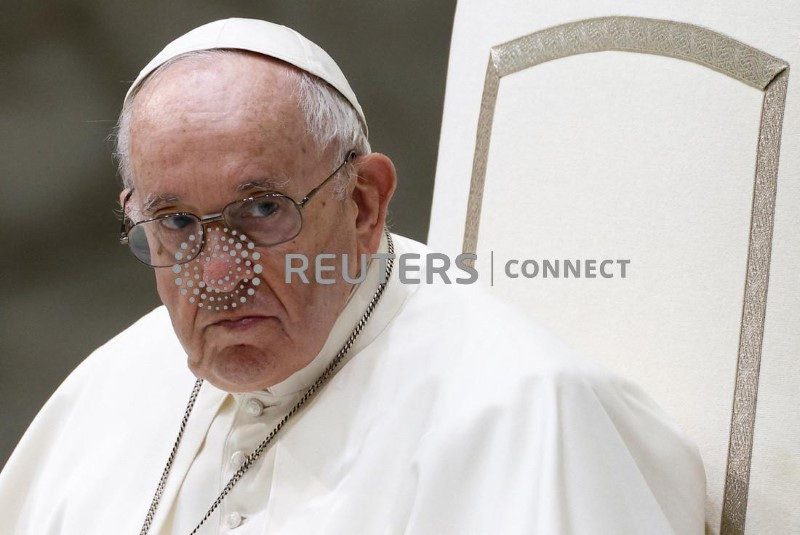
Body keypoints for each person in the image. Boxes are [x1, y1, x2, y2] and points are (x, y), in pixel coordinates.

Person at [0, 18, 705, 534]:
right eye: (176, 223)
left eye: (262, 209)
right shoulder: (110, 388)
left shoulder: (522, 414)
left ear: (363, 202)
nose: (218, 272)